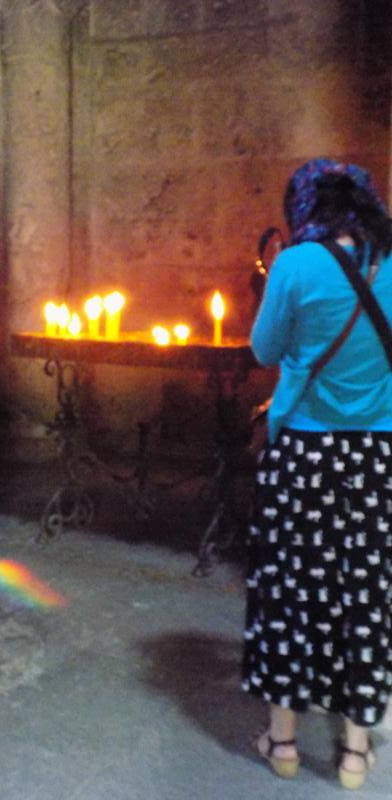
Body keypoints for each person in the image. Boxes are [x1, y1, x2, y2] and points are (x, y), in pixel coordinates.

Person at [241, 158, 392, 789]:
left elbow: (264, 350)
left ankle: (283, 744)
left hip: (304, 453)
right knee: (366, 593)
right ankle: (355, 753)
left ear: (304, 208)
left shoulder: (296, 264)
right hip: (375, 456)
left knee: (291, 591)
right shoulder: (390, 262)